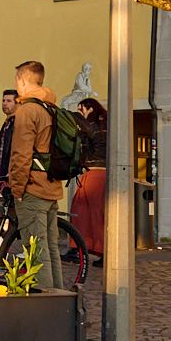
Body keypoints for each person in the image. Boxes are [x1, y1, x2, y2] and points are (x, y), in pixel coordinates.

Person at [4, 60, 64, 290]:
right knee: (51, 249)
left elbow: (21, 155)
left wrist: (16, 189)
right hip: (51, 188)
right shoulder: (51, 107)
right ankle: (61, 298)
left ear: (22, 80)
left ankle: (47, 305)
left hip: (33, 189)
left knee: (36, 252)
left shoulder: (28, 110)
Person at [70, 99, 107, 256]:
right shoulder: (106, 125)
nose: (80, 113)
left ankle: (80, 248)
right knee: (97, 215)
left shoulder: (92, 127)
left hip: (93, 174)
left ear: (90, 109)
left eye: (81, 109)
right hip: (102, 174)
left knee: (81, 213)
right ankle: (100, 250)